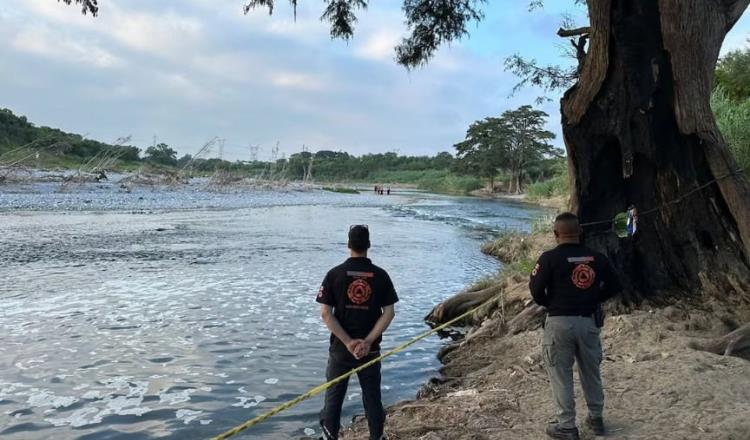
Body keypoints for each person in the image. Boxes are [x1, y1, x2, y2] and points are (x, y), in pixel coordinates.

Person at [529, 212, 622, 440]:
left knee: (561, 374)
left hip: (559, 323)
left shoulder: (548, 259)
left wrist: (550, 303)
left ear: (555, 234)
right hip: (588, 322)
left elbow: (535, 291)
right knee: (591, 371)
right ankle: (596, 418)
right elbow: (615, 285)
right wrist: (594, 298)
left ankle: (567, 426)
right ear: (580, 232)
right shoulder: (596, 258)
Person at [317, 225, 398, 440]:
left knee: (333, 400)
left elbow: (325, 313)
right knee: (372, 399)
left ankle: (329, 437)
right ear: (368, 245)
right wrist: (368, 341)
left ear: (348, 245)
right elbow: (389, 313)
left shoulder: (334, 274)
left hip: (341, 350)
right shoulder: (381, 276)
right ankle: (376, 437)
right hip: (369, 351)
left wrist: (348, 342)